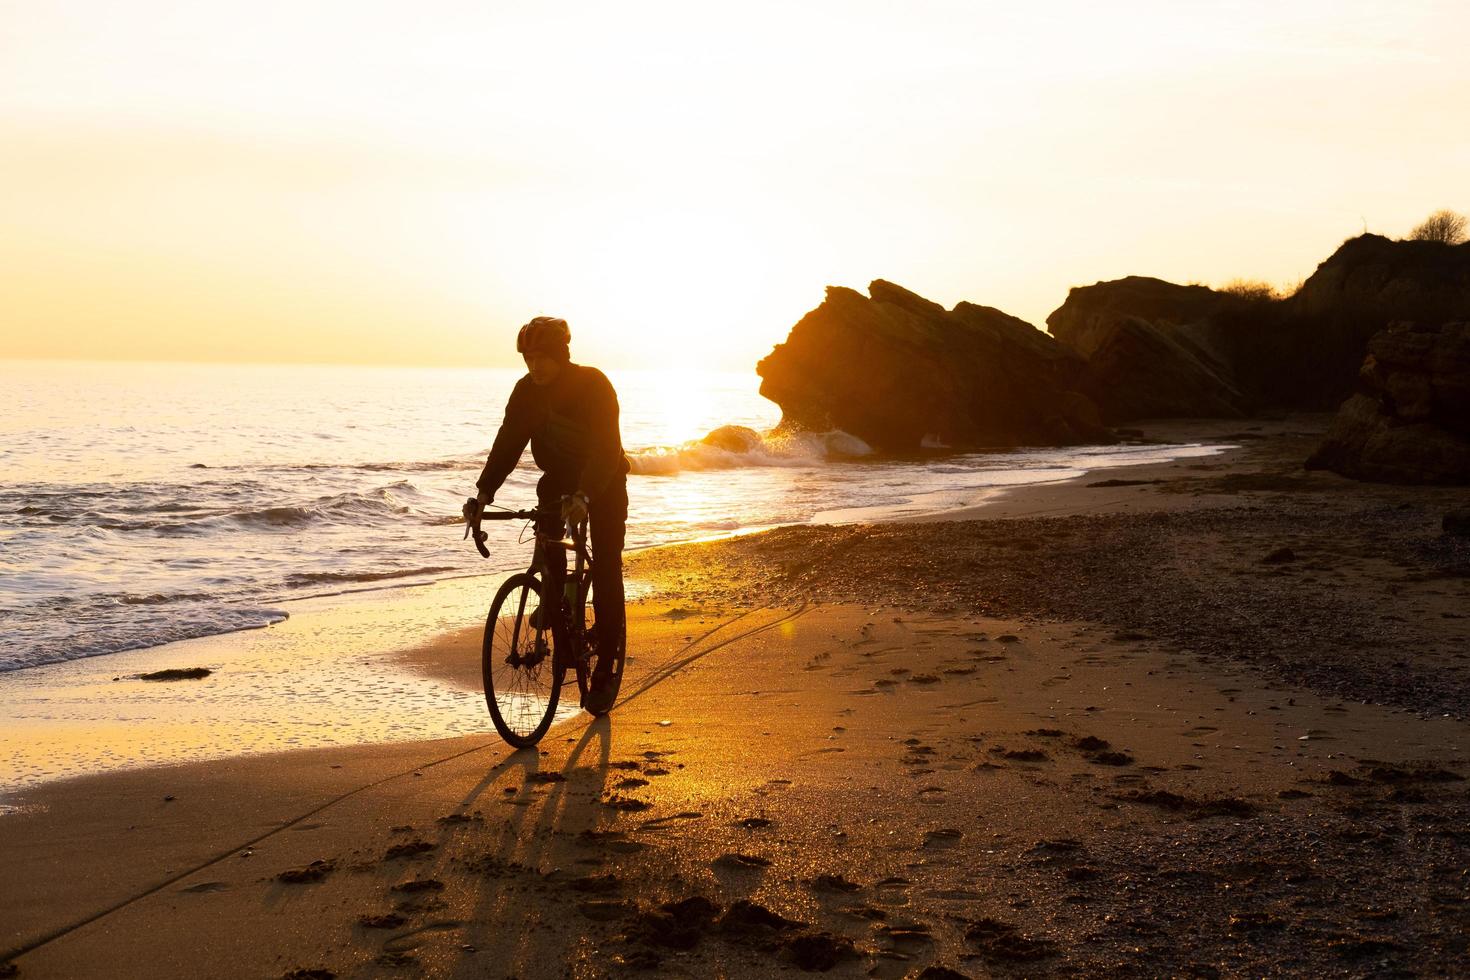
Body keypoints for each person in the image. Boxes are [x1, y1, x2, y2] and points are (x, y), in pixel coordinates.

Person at [463, 316, 629, 713]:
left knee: (606, 567)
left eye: (540, 358)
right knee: (547, 526)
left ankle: (605, 665)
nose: (533, 367)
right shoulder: (526, 392)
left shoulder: (593, 385)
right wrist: (484, 493)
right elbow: (507, 443)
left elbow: (607, 449)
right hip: (556, 481)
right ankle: (556, 597)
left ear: (560, 355)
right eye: (527, 359)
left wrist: (586, 494)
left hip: (603, 483)